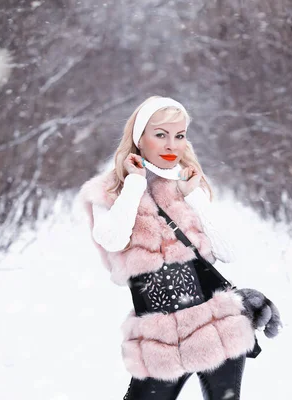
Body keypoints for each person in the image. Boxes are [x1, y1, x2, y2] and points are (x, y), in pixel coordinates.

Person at [77, 96, 281, 400]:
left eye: (179, 135)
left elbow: (227, 251)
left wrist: (192, 195)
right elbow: (113, 241)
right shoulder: (108, 191)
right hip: (160, 347)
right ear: (139, 137)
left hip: (217, 328)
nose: (172, 144)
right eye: (161, 135)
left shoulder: (184, 183)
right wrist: (134, 186)